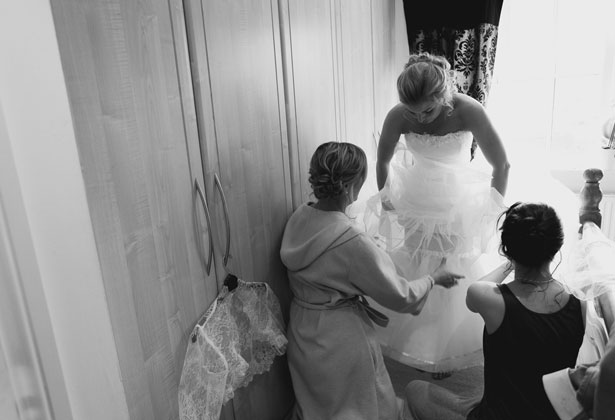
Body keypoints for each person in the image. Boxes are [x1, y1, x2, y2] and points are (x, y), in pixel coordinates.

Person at [280, 141, 463, 420]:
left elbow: (332, 262)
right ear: (351, 187)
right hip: (341, 340)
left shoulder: (300, 216)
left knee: (320, 402)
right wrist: (432, 278)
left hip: (303, 332)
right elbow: (401, 296)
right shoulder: (352, 241)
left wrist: (368, 248)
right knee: (359, 405)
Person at [364, 52, 510, 375]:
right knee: (418, 265)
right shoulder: (398, 116)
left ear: (444, 94)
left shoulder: (469, 110)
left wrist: (492, 207)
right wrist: (387, 195)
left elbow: (502, 164)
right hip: (416, 202)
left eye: (428, 110)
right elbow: (383, 161)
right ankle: (418, 346)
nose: (420, 119)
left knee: (454, 269)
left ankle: (447, 353)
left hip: (458, 203)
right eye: (412, 112)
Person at [406, 202, 585, 420]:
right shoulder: (579, 304)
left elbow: (474, 292)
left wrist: (511, 262)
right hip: (551, 415)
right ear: (556, 248)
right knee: (476, 398)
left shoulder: (489, 298)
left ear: (508, 248)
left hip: (496, 415)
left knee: (414, 389)